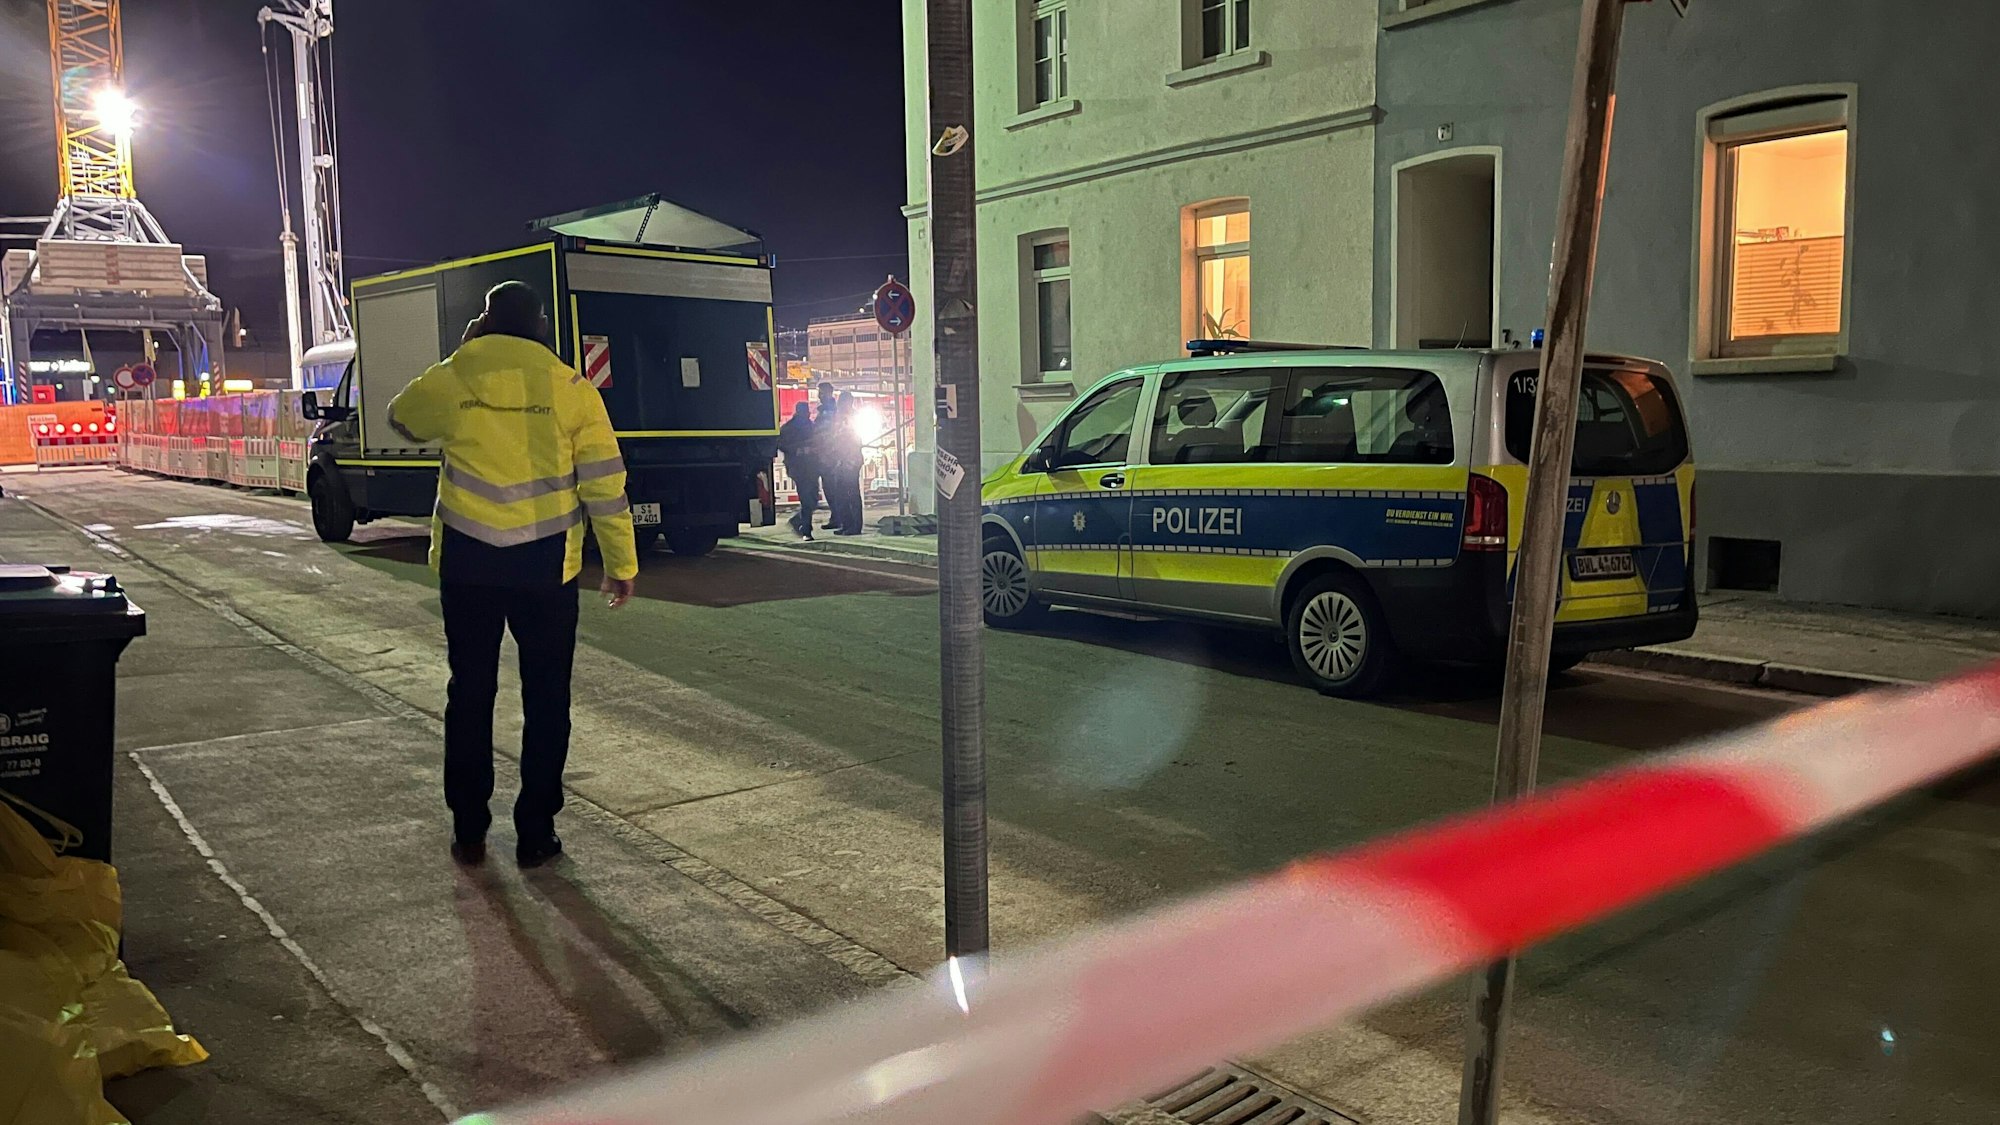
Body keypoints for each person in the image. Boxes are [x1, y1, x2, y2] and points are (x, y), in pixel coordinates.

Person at [386, 281, 638, 869]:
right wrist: (621, 564)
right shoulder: (569, 387)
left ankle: (469, 827)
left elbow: (402, 419)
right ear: (541, 325)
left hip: (469, 561)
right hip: (544, 564)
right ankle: (535, 832)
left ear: (484, 322)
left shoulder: (457, 376)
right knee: (547, 697)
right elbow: (605, 484)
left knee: (469, 693)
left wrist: (461, 358)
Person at [777, 401, 819, 540]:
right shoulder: (790, 428)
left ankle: (799, 522)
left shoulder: (810, 426)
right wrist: (798, 449)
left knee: (812, 498)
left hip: (810, 466)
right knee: (807, 498)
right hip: (799, 467)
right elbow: (782, 444)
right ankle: (806, 529)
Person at [827, 392, 865, 535]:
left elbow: (853, 441)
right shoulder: (838, 417)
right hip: (840, 461)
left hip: (850, 461)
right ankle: (846, 524)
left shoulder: (852, 418)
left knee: (852, 493)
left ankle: (855, 526)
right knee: (840, 494)